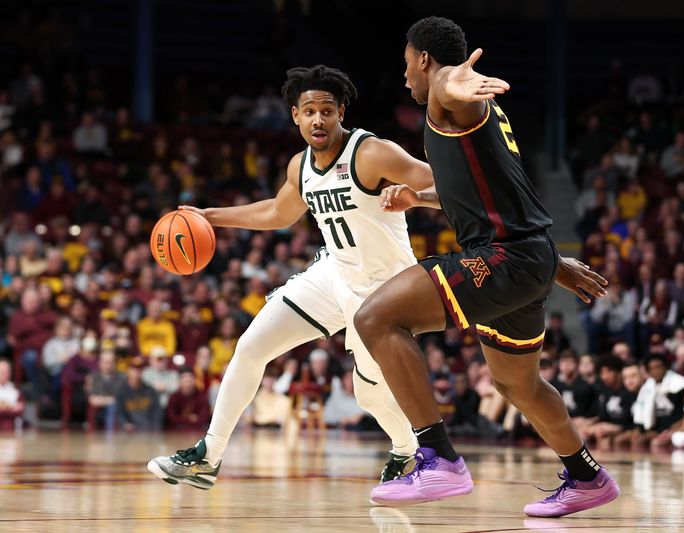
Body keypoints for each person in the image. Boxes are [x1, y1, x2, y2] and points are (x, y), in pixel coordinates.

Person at [148, 64, 605, 494]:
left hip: (385, 287)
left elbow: (457, 191)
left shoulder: (373, 152)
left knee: (368, 397)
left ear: (341, 112)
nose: (318, 119)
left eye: (327, 110)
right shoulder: (299, 166)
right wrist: (207, 216)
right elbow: (276, 211)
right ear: (295, 116)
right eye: (309, 111)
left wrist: (549, 260)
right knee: (250, 347)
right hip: (333, 274)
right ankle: (209, 456)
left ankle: (407, 450)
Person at [353, 17, 616, 516]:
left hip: (500, 258)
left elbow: (452, 86)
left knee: (375, 318)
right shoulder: (474, 118)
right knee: (518, 384)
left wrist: (456, 79)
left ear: (424, 59)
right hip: (528, 257)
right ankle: (587, 477)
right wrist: (421, 198)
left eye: (408, 61)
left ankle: (437, 458)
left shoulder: (446, 96)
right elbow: (492, 194)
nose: (405, 72)